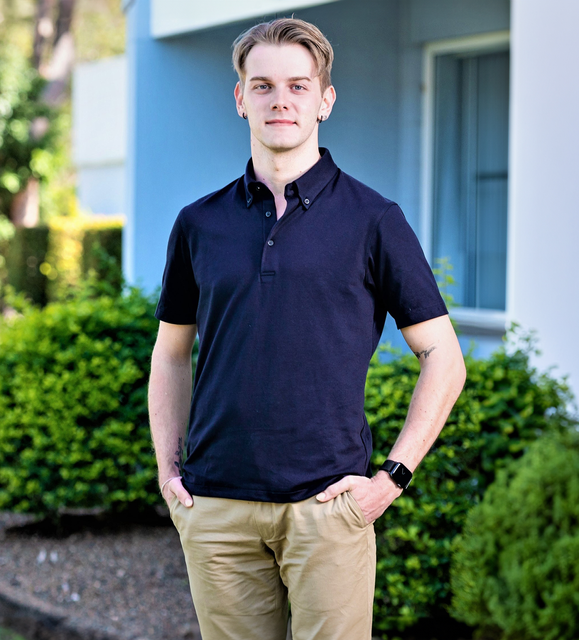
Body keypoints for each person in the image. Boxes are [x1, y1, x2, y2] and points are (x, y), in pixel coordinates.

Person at [148, 17, 467, 640]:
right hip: (215, 508)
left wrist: (391, 480)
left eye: (298, 85)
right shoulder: (198, 223)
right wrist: (168, 471)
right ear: (240, 98)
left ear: (325, 100)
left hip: (330, 508)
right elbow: (169, 355)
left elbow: (444, 358)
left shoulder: (375, 220)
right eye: (262, 85)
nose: (281, 100)